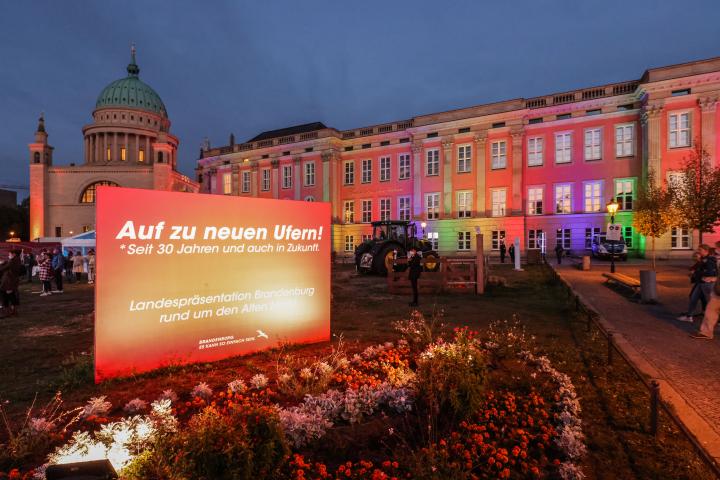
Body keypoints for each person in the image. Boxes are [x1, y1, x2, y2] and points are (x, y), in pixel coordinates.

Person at [678, 245, 717, 322]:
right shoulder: (703, 259)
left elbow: (710, 273)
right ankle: (689, 316)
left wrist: (696, 272)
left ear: (706, 251)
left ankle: (714, 319)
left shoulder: (709, 260)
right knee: (693, 297)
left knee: (710, 301)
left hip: (706, 283)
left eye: (700, 250)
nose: (699, 251)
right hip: (700, 282)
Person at [0, 250, 23, 317]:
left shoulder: (13, 261)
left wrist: (1, 264)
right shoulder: (16, 260)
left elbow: (3, 268)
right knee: (11, 295)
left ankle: (8, 312)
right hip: (11, 281)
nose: (8, 255)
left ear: (14, 254)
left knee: (6, 296)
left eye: (9, 254)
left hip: (9, 282)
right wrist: (4, 262)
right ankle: (13, 311)